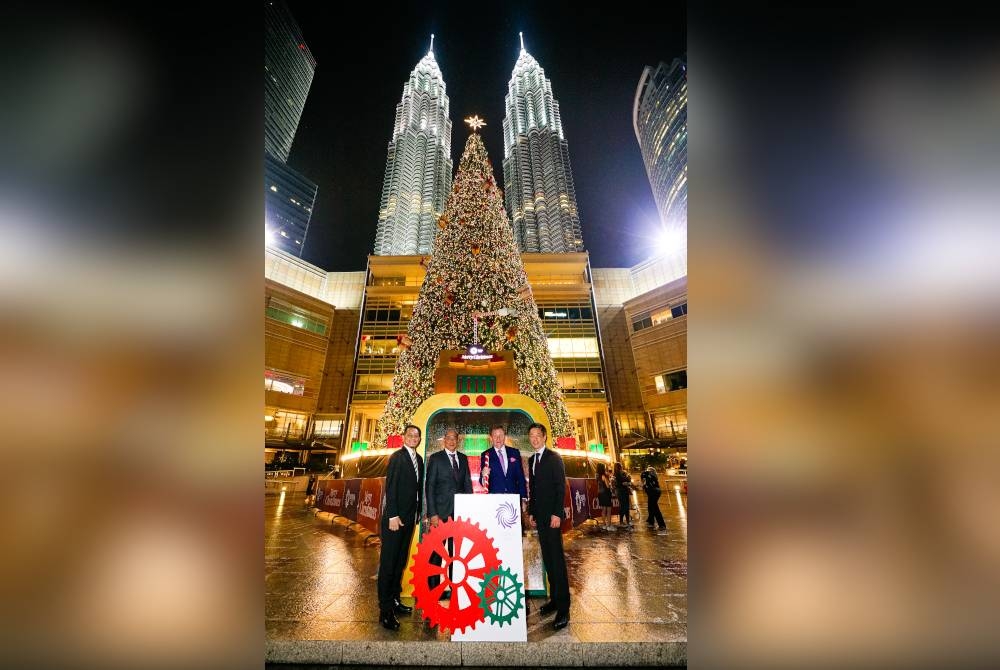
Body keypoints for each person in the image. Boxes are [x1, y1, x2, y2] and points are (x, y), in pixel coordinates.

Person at [377, 424, 424, 631]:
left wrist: (417, 512)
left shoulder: (419, 460)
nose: (414, 438)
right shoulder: (397, 457)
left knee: (400, 563)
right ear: (404, 437)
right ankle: (385, 610)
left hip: (409, 518)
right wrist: (393, 515)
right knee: (388, 565)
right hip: (394, 520)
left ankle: (395, 600)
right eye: (410, 435)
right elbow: (391, 487)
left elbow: (416, 489)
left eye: (417, 435)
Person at [526, 422, 571, 630]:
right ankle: (554, 600)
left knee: (557, 561)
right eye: (531, 436)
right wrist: (532, 512)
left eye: (537, 435)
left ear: (544, 436)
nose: (534, 438)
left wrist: (556, 513)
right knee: (548, 559)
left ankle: (563, 608)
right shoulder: (533, 459)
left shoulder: (554, 458)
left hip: (552, 518)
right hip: (541, 518)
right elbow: (534, 490)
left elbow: (560, 487)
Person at [424, 427, 473, 598]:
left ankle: (454, 588)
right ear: (444, 439)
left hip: (458, 514)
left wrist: (469, 510)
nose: (452, 441)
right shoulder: (436, 459)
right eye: (449, 438)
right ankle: (433, 591)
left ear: (458, 440)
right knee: (436, 553)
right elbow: (429, 487)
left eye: (454, 438)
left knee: (455, 554)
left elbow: (467, 485)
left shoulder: (463, 458)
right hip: (440, 514)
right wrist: (433, 514)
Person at [479, 424, 527, 500]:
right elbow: (482, 482)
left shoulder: (514, 452)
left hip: (513, 498)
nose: (498, 438)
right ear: (491, 438)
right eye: (495, 436)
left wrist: (524, 497)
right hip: (495, 499)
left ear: (504, 436)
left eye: (501, 435)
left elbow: (520, 477)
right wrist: (483, 476)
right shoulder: (486, 455)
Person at [641, 465, 667, 532]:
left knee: (655, 508)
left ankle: (662, 525)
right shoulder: (651, 478)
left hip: (653, 492)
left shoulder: (648, 476)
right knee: (650, 506)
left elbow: (644, 475)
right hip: (655, 492)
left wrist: (646, 473)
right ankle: (651, 521)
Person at [614, 461, 634, 528]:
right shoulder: (618, 474)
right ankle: (625, 521)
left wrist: (626, 480)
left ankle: (624, 521)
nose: (621, 467)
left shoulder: (618, 474)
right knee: (624, 506)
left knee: (624, 506)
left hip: (621, 491)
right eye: (620, 466)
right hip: (622, 491)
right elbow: (625, 480)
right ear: (619, 467)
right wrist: (627, 479)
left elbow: (627, 481)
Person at [595, 462, 614, 531]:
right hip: (606, 493)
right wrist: (609, 480)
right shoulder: (603, 476)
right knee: (608, 510)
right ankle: (609, 525)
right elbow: (608, 486)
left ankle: (604, 525)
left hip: (600, 494)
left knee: (603, 510)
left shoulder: (597, 476)